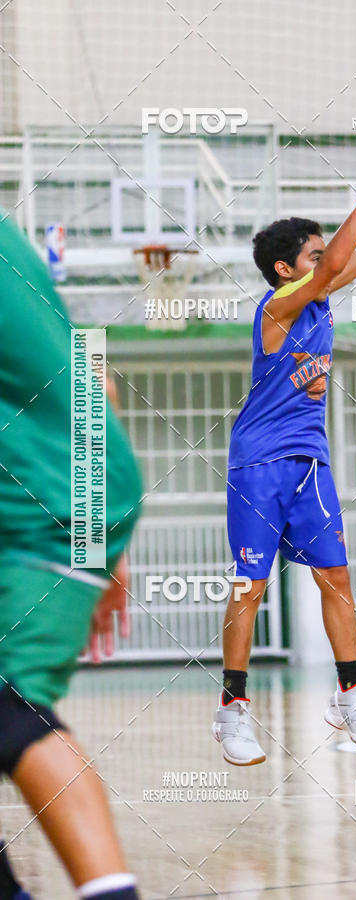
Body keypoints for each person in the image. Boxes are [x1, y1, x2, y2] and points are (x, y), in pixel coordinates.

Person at [212, 141, 356, 766]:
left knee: (337, 578)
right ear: (286, 270)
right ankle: (232, 710)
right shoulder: (276, 308)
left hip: (309, 461)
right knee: (248, 587)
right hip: (258, 464)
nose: (328, 262)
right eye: (314, 256)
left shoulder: (317, 299)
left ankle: (350, 694)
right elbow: (348, 250)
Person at [0, 211, 143, 898]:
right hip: (65, 491)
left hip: (43, 503)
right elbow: (97, 381)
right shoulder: (14, 250)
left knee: (6, 709)